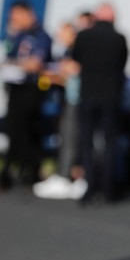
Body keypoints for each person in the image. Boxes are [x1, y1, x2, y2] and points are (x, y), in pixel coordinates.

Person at [72, 2, 128, 204]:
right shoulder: (119, 39)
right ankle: (108, 188)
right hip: (111, 97)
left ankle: (90, 185)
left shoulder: (84, 36)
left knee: (86, 143)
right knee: (110, 143)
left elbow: (75, 59)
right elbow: (122, 64)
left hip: (88, 95)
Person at [0, 0, 53, 188]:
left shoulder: (40, 35)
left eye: (16, 16)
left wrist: (13, 64)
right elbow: (9, 55)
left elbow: (35, 63)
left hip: (31, 89)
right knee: (13, 131)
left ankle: (30, 171)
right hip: (15, 88)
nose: (13, 20)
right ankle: (14, 170)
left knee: (28, 131)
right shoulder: (17, 36)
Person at [32, 21, 87, 200]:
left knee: (72, 138)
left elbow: (74, 73)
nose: (60, 38)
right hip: (70, 99)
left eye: (63, 33)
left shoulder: (79, 51)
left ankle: (68, 177)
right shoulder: (67, 52)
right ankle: (70, 175)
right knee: (69, 138)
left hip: (77, 101)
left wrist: (57, 74)